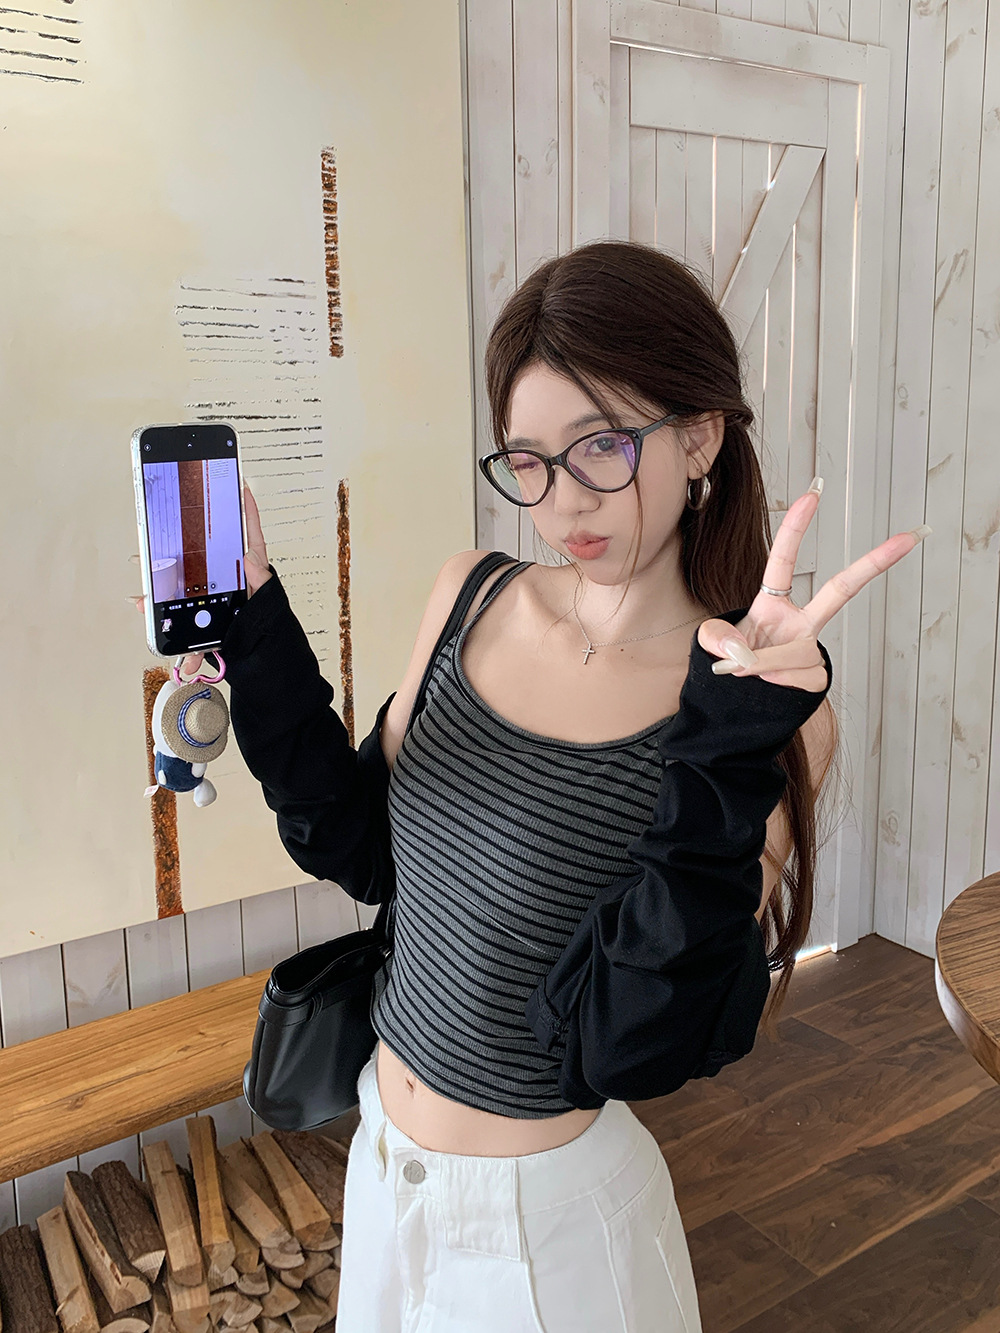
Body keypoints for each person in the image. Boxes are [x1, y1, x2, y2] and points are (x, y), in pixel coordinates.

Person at [133, 239, 929, 1331]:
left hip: (549, 1242)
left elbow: (641, 1040)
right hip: (384, 1174)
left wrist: (726, 743)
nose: (560, 504)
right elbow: (359, 848)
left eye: (601, 445)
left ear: (700, 435)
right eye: (529, 460)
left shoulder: (762, 717)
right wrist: (258, 623)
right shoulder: (472, 593)